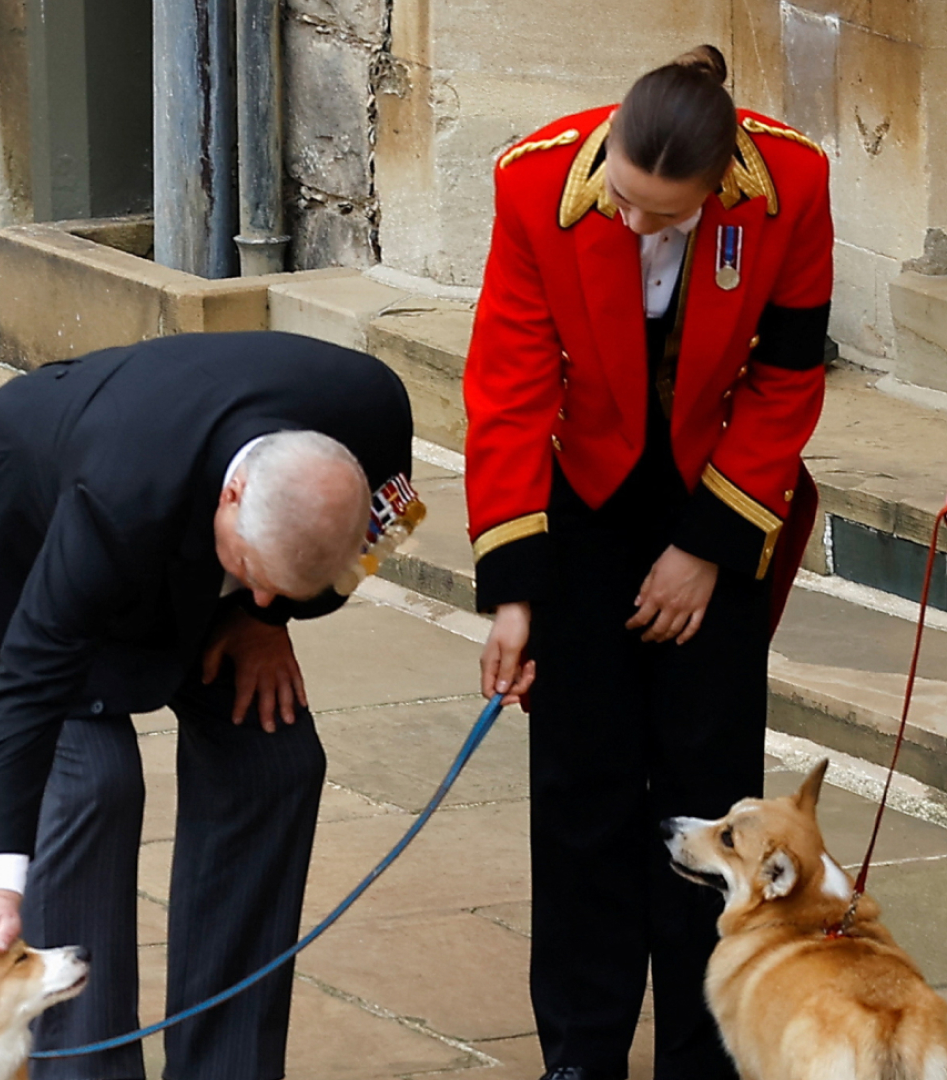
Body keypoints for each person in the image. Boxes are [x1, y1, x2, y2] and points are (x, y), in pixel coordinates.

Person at [0, 331, 417, 1080]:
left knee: (274, 761)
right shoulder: (118, 493)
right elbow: (28, 692)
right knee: (93, 782)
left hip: (183, 553)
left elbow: (391, 522)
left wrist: (262, 621)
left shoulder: (374, 411)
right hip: (17, 532)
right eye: (255, 576)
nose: (267, 595)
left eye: (282, 588)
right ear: (232, 499)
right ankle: (84, 1069)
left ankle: (226, 1066)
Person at [464, 46, 832, 1080]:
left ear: (719, 185)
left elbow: (787, 380)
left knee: (709, 798)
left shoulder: (792, 182)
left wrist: (706, 551)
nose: (633, 226)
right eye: (623, 198)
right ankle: (581, 1051)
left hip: (719, 496)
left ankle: (701, 1053)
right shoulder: (535, 180)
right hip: (581, 503)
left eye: (663, 217)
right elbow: (508, 389)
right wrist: (515, 598)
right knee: (581, 792)